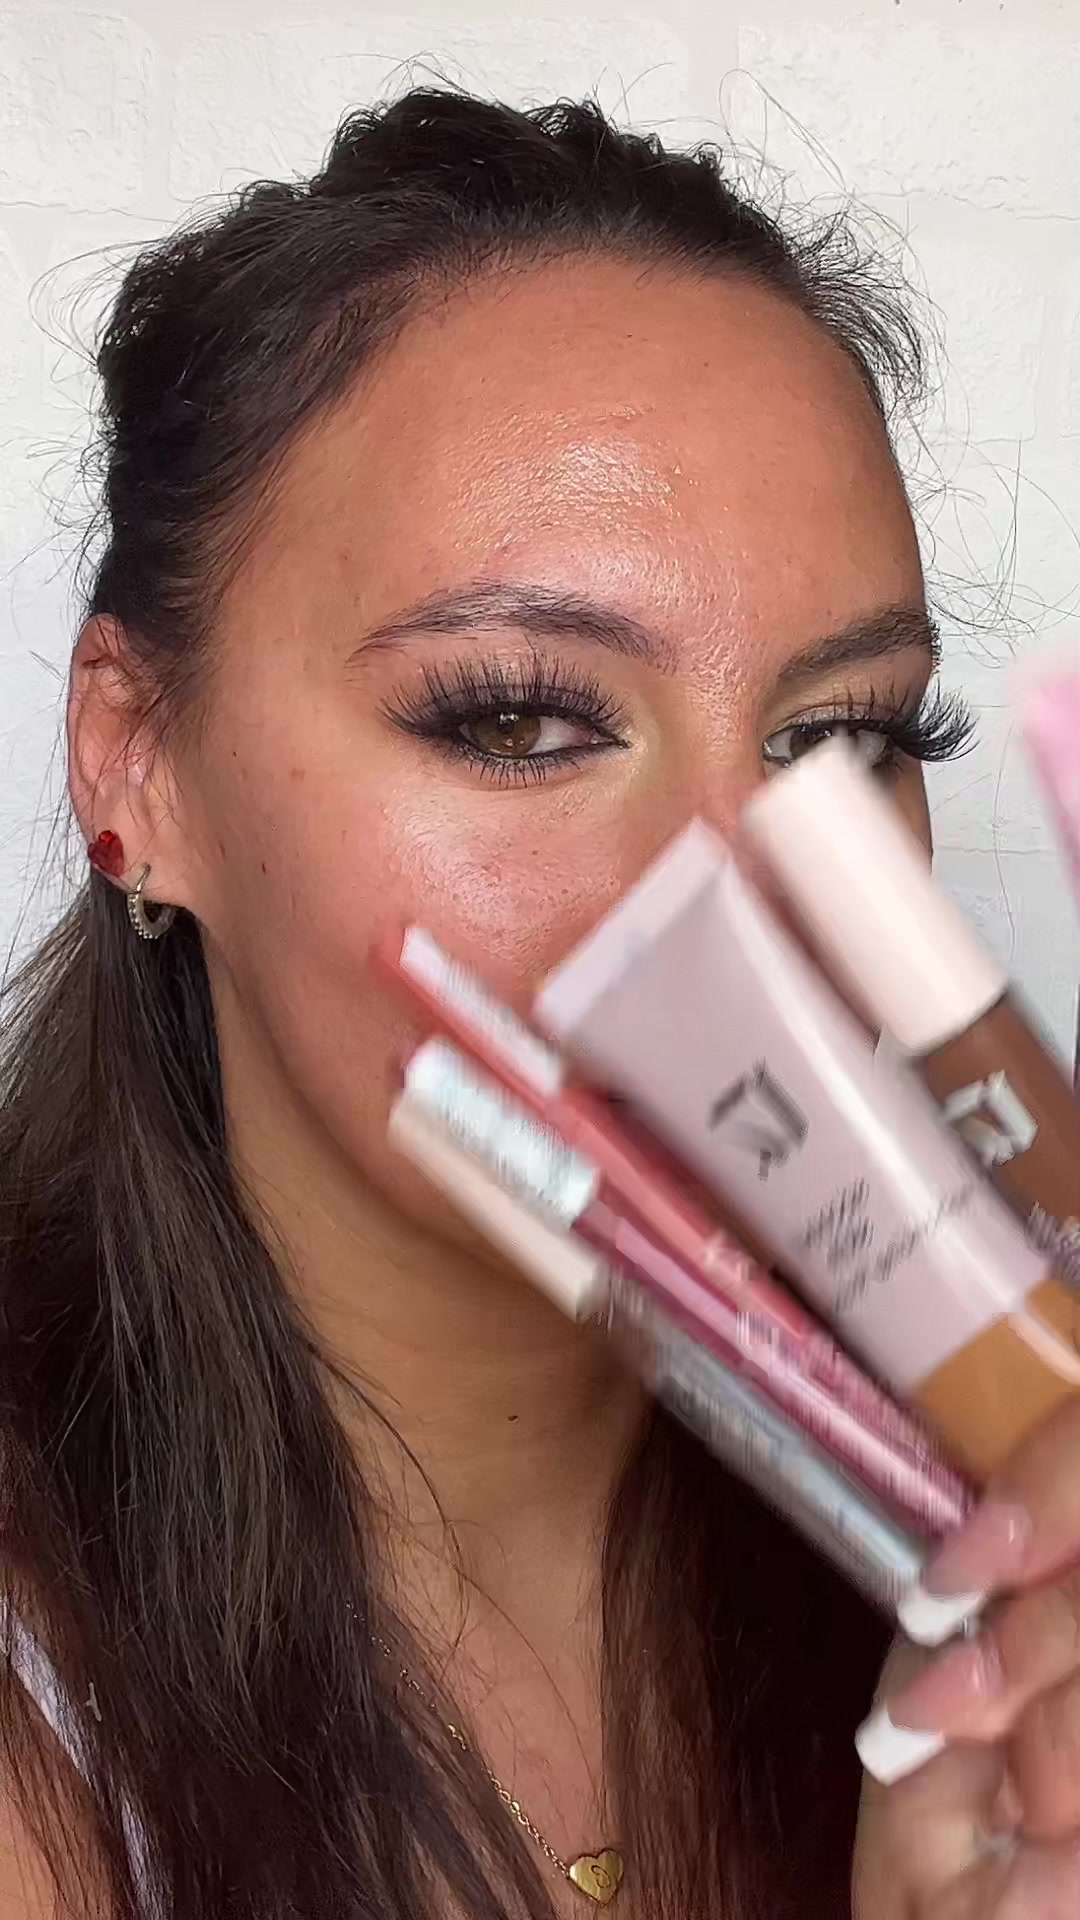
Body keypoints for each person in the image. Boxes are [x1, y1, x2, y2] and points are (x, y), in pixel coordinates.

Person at [1, 87, 1079, 1920]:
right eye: (517, 718)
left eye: (844, 740)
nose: (750, 922)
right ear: (137, 763)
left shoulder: (988, 1550)